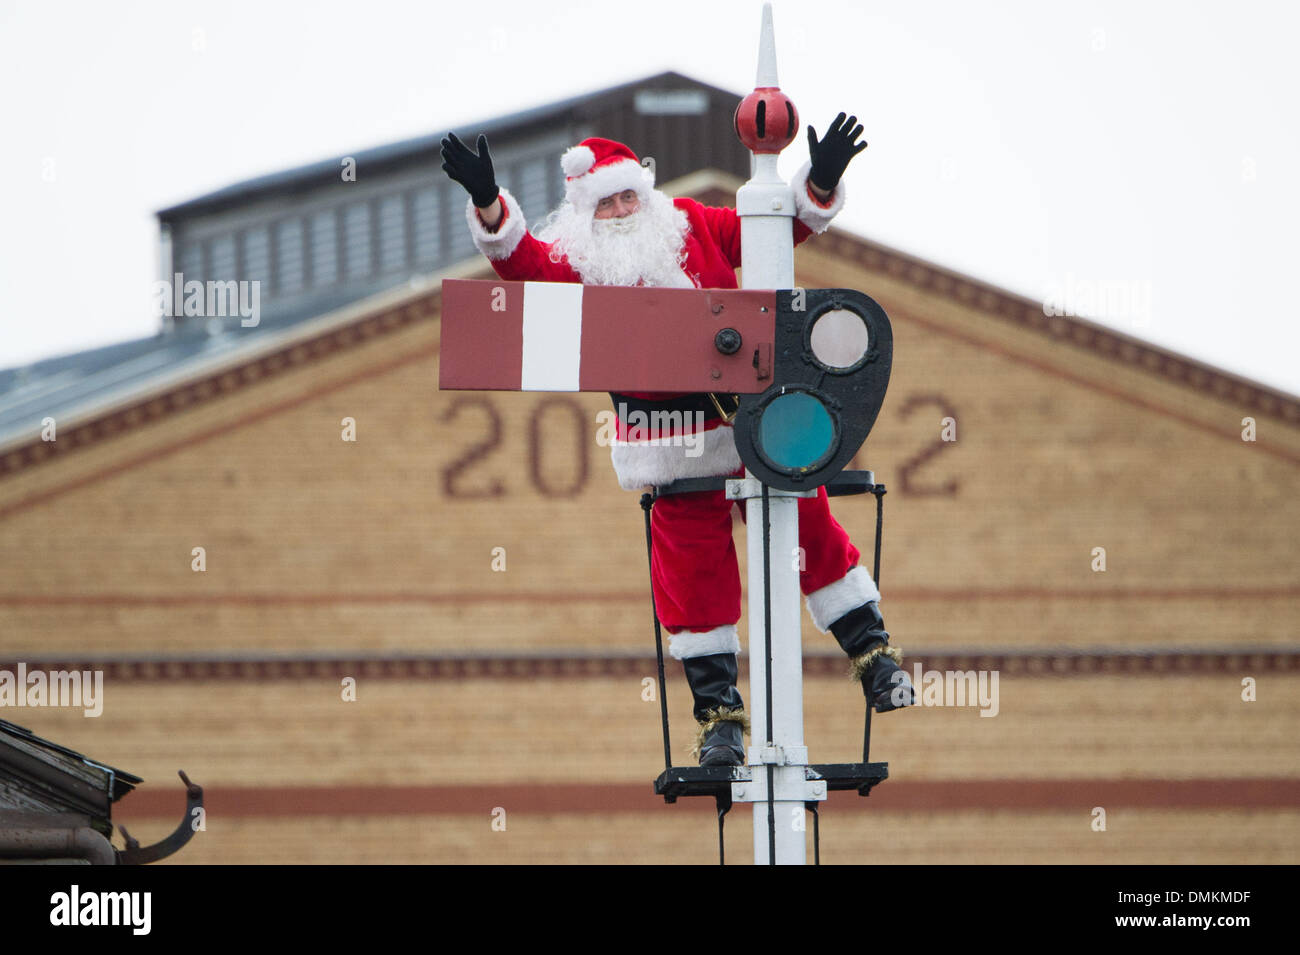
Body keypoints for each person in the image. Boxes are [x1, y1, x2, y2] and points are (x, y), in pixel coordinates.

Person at [441, 116, 914, 767]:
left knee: (813, 535)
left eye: (627, 195)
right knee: (693, 580)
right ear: (587, 214)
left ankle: (874, 654)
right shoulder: (576, 265)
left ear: (646, 193)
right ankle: (720, 717)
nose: (621, 210)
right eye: (606, 203)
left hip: (752, 430)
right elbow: (520, 264)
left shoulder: (694, 224)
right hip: (669, 446)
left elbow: (780, 231)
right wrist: (490, 203)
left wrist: (821, 179)